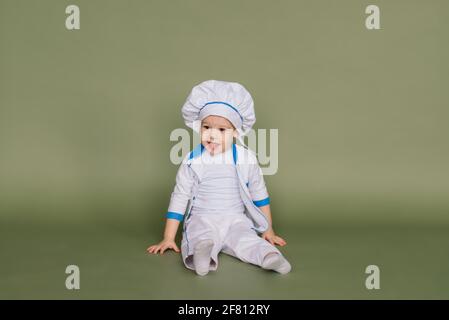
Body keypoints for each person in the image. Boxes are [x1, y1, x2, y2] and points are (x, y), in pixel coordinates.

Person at [147, 80, 291, 276]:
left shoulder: (245, 158)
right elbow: (180, 197)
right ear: (200, 127)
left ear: (236, 132)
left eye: (221, 130)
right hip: (202, 217)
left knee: (246, 239)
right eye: (206, 127)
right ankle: (202, 256)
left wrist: (269, 230)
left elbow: (259, 193)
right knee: (199, 235)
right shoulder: (192, 161)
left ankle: (268, 256)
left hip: (235, 219)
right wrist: (168, 237)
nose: (212, 135)